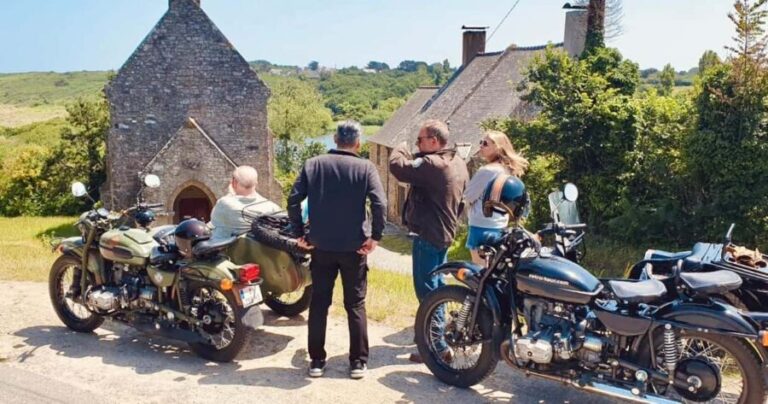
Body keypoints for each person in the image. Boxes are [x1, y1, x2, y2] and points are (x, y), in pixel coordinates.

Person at [287, 120, 386, 380]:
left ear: (334, 138)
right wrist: (375, 237)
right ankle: (357, 363)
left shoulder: (314, 164)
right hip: (355, 247)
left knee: (319, 303)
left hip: (321, 245)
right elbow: (380, 204)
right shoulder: (365, 167)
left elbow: (293, 199)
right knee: (355, 304)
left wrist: (298, 233)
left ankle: (317, 361)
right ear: (358, 143)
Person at [389, 119, 469, 362]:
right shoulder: (457, 161)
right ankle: (432, 337)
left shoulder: (432, 163)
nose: (416, 143)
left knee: (427, 292)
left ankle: (437, 347)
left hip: (428, 235)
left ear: (434, 142)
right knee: (438, 289)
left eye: (420, 140)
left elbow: (398, 168)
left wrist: (400, 146)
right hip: (444, 233)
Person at [463, 130, 528, 264]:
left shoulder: (487, 170)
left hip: (480, 225)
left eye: (485, 143)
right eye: (481, 142)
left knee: (481, 270)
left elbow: (468, 196)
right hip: (500, 226)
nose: (481, 145)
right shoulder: (509, 170)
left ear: (498, 147)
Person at [209, 165, 281, 241]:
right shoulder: (272, 207)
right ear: (256, 183)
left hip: (228, 250)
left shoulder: (224, 203)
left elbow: (213, 224)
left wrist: (230, 194)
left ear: (234, 182)